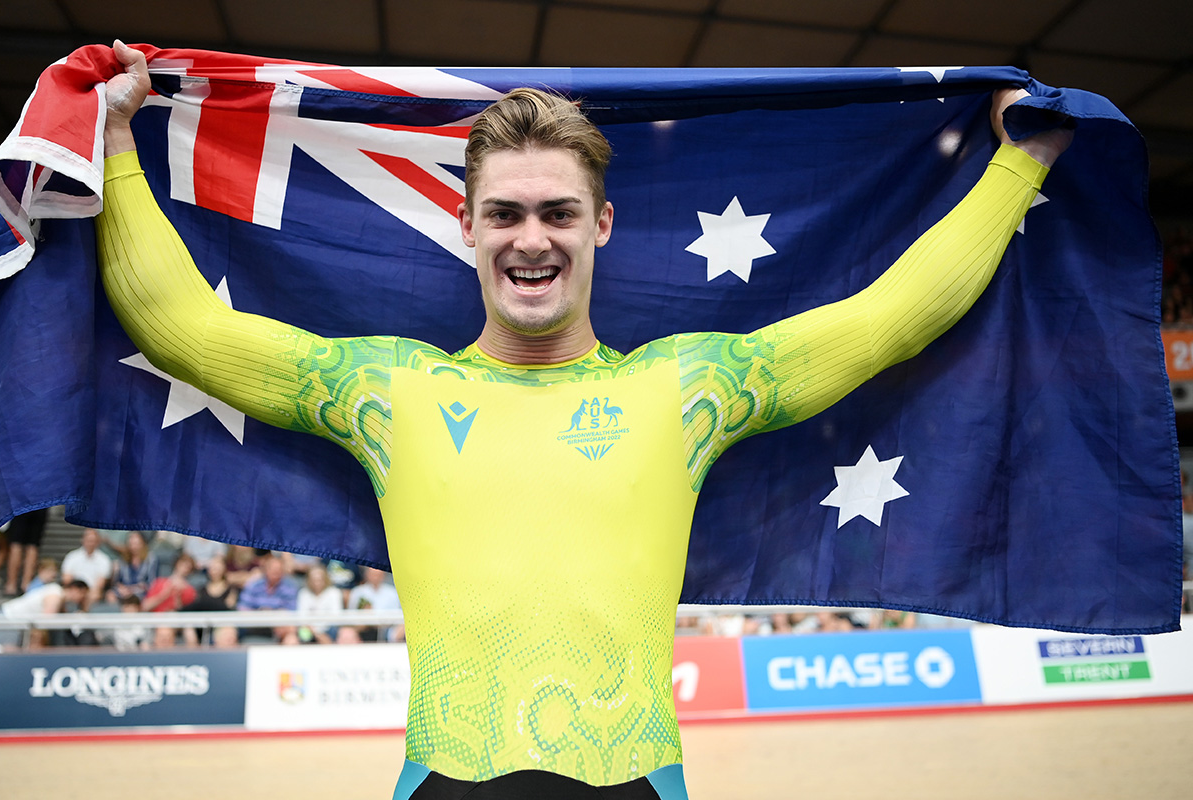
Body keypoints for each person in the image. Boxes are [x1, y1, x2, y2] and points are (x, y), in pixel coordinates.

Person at [99, 41, 1072, 798]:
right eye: (507, 213)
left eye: (558, 213)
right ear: (466, 226)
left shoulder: (688, 389)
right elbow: (181, 327)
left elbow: (884, 321)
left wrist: (1017, 164)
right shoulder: (384, 394)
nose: (532, 239)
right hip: (441, 778)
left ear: (599, 224)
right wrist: (110, 144)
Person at [142, 553, 198, 647]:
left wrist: (178, 597)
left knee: (189, 632)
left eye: (188, 567)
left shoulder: (189, 590)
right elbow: (145, 606)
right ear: (177, 564)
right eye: (183, 564)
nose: (185, 568)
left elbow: (184, 611)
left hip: (175, 622)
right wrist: (164, 594)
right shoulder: (159, 582)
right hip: (156, 621)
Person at [181, 554, 238, 646]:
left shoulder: (231, 590)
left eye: (217, 567)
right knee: (188, 629)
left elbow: (228, 610)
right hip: (201, 625)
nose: (215, 570)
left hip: (220, 624)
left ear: (223, 569)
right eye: (213, 567)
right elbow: (194, 608)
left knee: (226, 632)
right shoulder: (201, 589)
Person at [1, 507, 47, 597]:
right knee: (33, 544)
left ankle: (11, 584)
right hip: (41, 501)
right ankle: (26, 584)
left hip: (21, 502)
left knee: (16, 543)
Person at [293, 563, 344, 644]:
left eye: (319, 579)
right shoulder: (303, 593)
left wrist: (319, 632)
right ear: (309, 580)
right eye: (313, 579)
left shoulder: (334, 592)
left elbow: (336, 616)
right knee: (302, 632)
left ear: (325, 579)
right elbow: (302, 618)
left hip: (329, 629)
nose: (316, 582)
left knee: (336, 630)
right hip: (309, 629)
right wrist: (317, 633)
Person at [60, 528, 112, 604]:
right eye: (89, 540)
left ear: (98, 542)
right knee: (63, 594)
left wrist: (84, 592)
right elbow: (66, 579)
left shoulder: (104, 559)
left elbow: (100, 584)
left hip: (92, 590)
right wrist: (77, 591)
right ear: (83, 540)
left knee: (95, 594)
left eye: (93, 541)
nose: (90, 543)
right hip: (74, 589)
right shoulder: (72, 556)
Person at [107, 530, 158, 603]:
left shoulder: (151, 559)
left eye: (136, 543)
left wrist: (132, 590)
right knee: (110, 595)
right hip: (124, 591)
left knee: (141, 599)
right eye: (131, 544)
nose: (134, 547)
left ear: (143, 543)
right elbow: (117, 582)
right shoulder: (122, 559)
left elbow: (151, 583)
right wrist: (121, 587)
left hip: (141, 592)